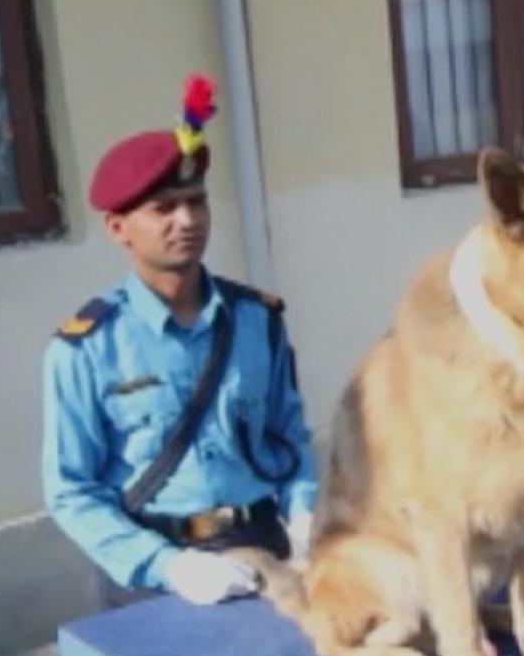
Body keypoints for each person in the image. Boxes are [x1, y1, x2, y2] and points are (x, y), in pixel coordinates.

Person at [42, 74, 319, 608]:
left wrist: (304, 511)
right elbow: (70, 490)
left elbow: (288, 433)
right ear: (118, 227)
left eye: (196, 201)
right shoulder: (85, 349)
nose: (187, 220)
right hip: (151, 571)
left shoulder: (256, 320)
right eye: (163, 208)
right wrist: (168, 565)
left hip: (265, 551)